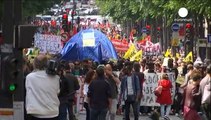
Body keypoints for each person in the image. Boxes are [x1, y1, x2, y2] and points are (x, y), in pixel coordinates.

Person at [25, 55, 60, 120]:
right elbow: (57, 92)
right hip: (52, 112)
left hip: (35, 112)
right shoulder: (56, 78)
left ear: (34, 64)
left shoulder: (29, 77)